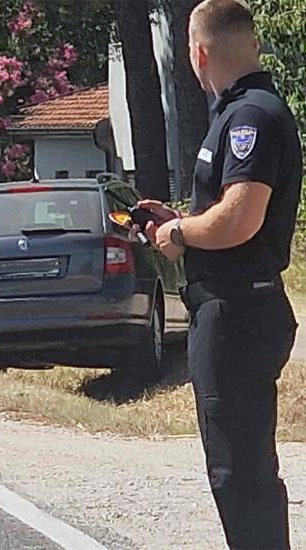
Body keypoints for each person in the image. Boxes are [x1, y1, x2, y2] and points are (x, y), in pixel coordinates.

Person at [136, 1, 301, 548]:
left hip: (237, 312)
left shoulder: (249, 116)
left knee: (240, 472)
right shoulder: (241, 111)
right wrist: (179, 221)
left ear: (198, 52)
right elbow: (228, 213)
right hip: (237, 308)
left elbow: (241, 217)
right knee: (240, 467)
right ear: (251, 43)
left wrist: (180, 234)